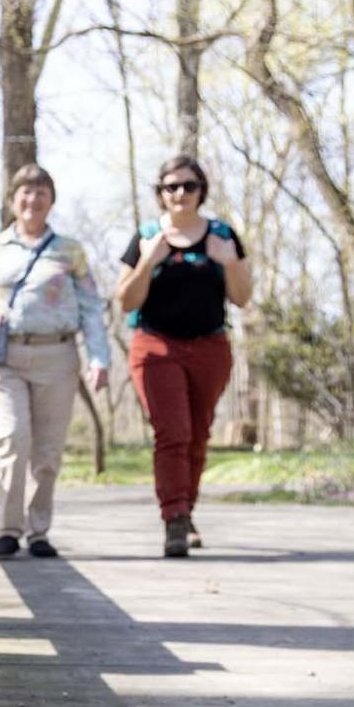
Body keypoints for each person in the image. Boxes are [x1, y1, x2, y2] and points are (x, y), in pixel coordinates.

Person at [0, 163, 110, 559]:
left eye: (41, 191)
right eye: (25, 191)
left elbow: (91, 306)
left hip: (57, 355)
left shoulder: (68, 250)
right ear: (12, 200)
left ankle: (39, 530)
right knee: (11, 436)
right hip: (3, 358)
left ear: (51, 201)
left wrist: (99, 358)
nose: (32, 198)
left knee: (47, 449)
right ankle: (8, 527)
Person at [114, 154, 253, 558]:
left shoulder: (223, 235)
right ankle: (173, 518)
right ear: (160, 194)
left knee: (198, 434)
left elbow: (242, 298)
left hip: (209, 346)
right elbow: (125, 301)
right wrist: (147, 261)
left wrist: (228, 262)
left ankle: (186, 509)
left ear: (201, 191)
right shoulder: (145, 236)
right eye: (171, 187)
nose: (180, 193)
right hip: (156, 346)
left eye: (188, 186)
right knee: (172, 433)